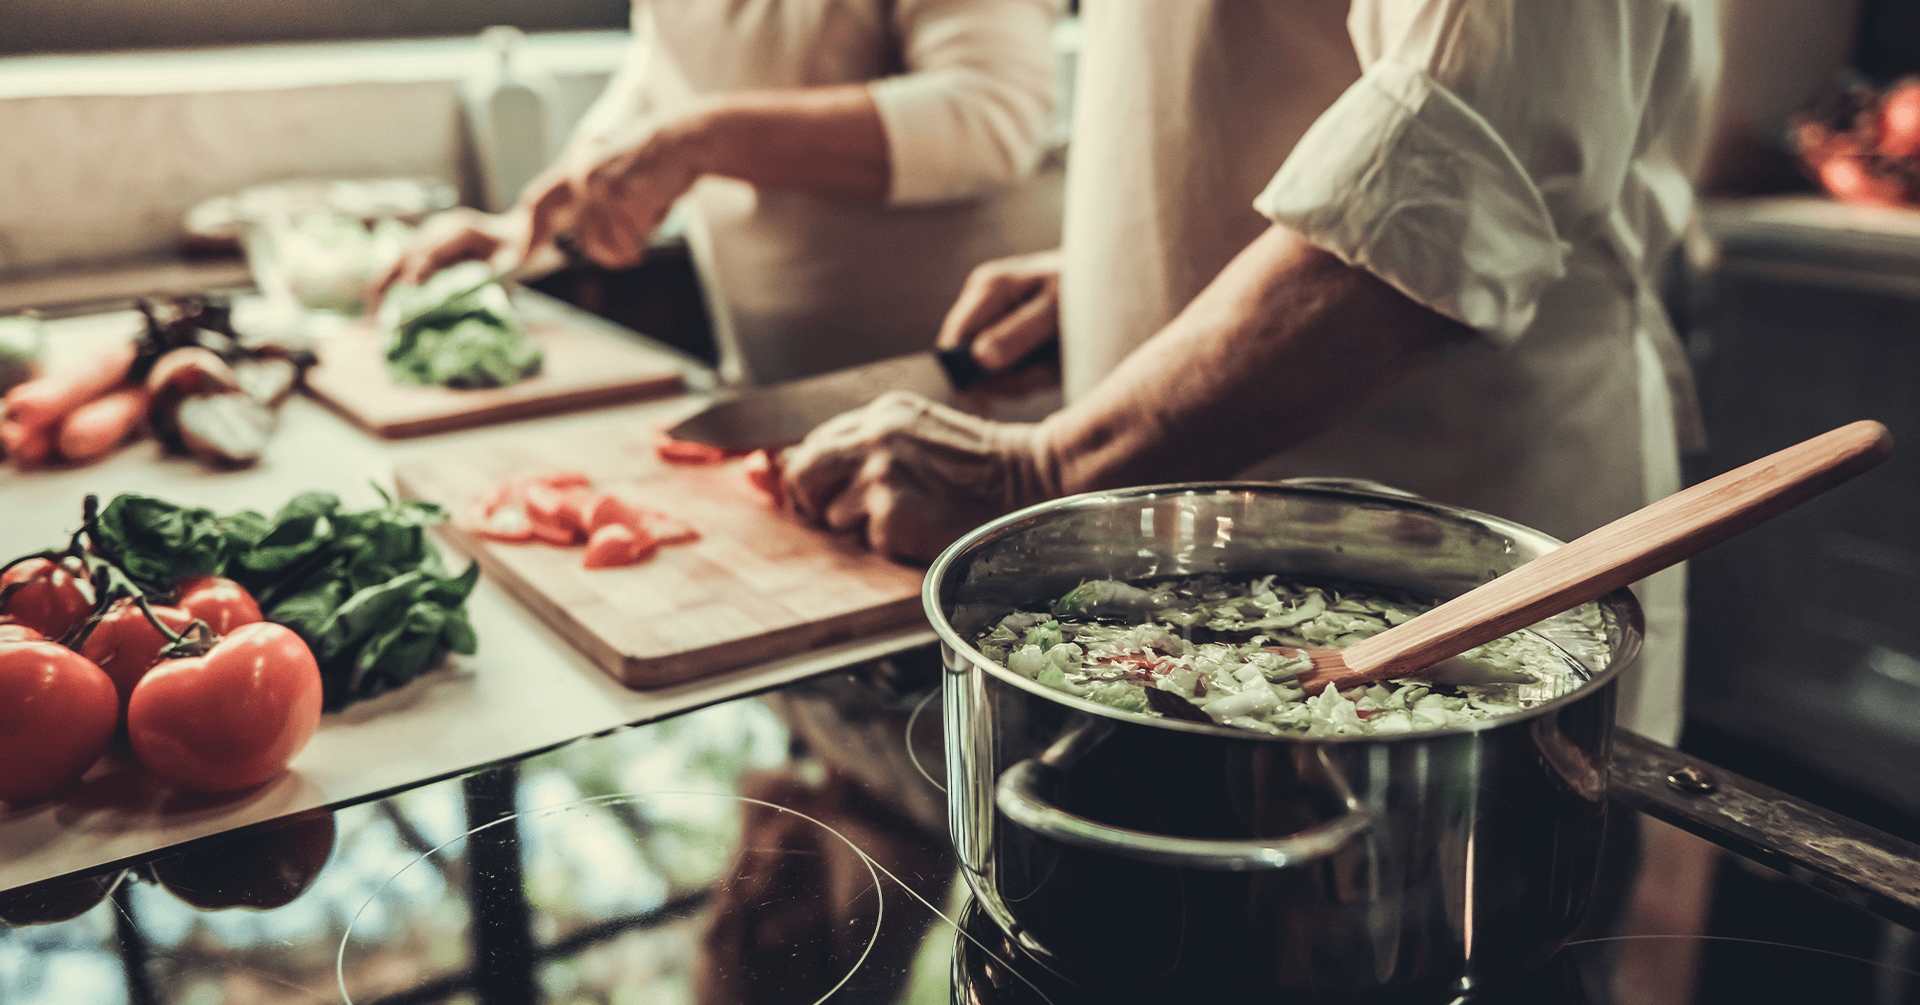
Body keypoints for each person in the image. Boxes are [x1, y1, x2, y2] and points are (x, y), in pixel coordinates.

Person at [779, 0, 1721, 748]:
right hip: (1174, 621)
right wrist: (1127, 279)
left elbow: (1460, 172)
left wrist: (1044, 470)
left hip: (1451, 591)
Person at [376, 0, 1063, 386]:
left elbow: (993, 116)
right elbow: (660, 84)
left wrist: (705, 138)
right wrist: (525, 226)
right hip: (772, 391)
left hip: (976, 390)